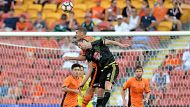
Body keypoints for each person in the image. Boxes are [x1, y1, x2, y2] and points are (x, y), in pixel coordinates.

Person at [76, 38, 130, 107]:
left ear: (84, 41)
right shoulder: (88, 54)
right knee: (100, 90)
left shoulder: (97, 42)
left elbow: (110, 41)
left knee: (107, 85)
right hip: (104, 70)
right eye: (79, 47)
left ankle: (102, 105)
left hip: (112, 66)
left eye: (80, 45)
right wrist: (83, 83)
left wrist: (120, 45)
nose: (80, 47)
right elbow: (89, 66)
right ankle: (99, 105)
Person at [63, 27, 103, 107]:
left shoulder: (89, 40)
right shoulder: (86, 49)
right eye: (77, 70)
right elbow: (84, 57)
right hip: (75, 101)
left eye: (77, 33)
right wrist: (70, 58)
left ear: (82, 33)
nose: (76, 34)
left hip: (100, 65)